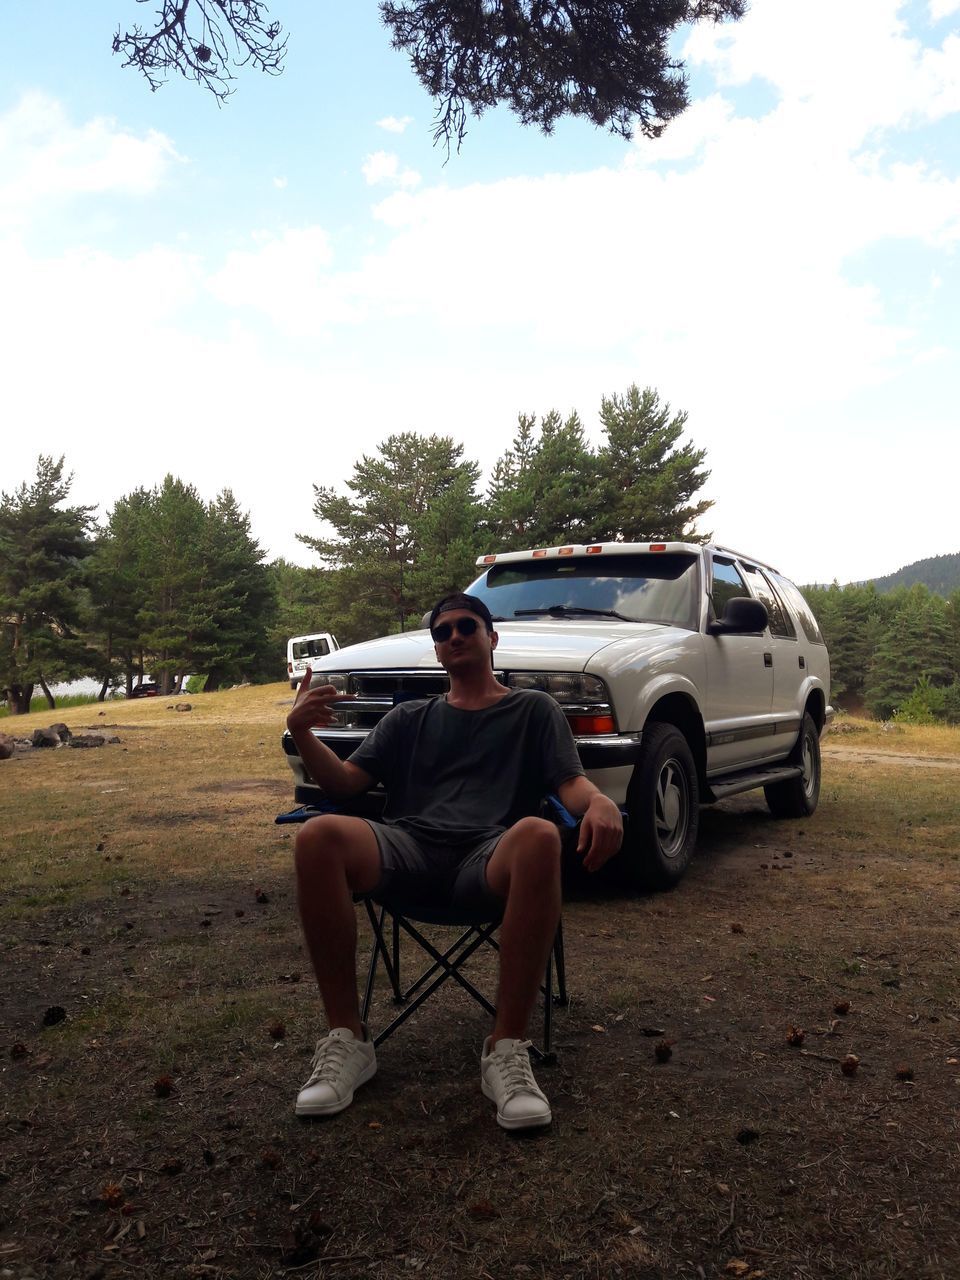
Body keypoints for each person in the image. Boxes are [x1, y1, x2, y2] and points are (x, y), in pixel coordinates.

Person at [286, 592, 624, 1130]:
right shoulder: (409, 718)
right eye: (442, 632)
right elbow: (345, 785)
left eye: (467, 625)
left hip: (487, 858)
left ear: (492, 638)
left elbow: (571, 784)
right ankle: (348, 1041)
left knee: (538, 833)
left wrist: (602, 802)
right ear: (437, 651)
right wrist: (302, 732)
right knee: (316, 836)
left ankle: (506, 1049)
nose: (455, 636)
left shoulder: (534, 709)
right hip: (409, 850)